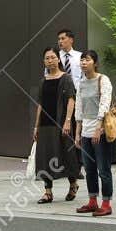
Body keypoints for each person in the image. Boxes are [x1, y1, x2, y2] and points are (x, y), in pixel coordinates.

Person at [32, 48, 79, 203]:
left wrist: (67, 121)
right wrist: (36, 126)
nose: (50, 60)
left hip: (61, 124)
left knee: (66, 154)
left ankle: (73, 184)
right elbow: (40, 104)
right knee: (45, 157)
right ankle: (48, 192)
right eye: (47, 58)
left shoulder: (66, 78)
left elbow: (71, 100)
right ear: (44, 61)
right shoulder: (42, 81)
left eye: (53, 57)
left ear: (58, 59)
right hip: (45, 125)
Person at [74, 50, 114, 216]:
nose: (83, 62)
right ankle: (92, 201)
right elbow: (79, 109)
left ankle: (106, 203)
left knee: (103, 168)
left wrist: (98, 128)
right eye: (82, 60)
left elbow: (105, 104)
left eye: (87, 60)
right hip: (85, 131)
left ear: (95, 63)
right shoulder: (81, 83)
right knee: (89, 168)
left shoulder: (103, 80)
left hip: (101, 130)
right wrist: (77, 133)